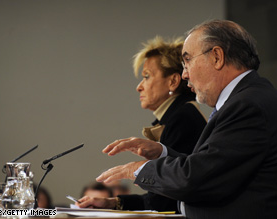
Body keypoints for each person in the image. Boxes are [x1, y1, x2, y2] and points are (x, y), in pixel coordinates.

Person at [79, 20, 277, 219]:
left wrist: (138, 169)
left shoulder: (247, 105)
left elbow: (198, 179)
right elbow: (208, 167)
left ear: (217, 57)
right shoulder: (247, 99)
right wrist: (162, 152)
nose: (184, 74)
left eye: (188, 60)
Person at [76, 36, 206, 212]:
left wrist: (135, 173)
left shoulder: (182, 118)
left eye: (147, 76)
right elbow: (160, 198)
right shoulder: (180, 115)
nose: (139, 86)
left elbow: (165, 200)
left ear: (173, 81)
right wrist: (113, 202)